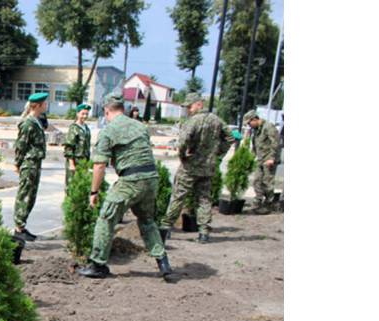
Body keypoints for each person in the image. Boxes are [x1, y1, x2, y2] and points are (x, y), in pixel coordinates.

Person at [77, 93, 174, 280]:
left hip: (131, 181)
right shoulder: (140, 126)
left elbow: (99, 165)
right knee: (147, 221)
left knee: (106, 218)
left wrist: (94, 192)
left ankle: (98, 265)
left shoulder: (109, 130)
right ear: (123, 109)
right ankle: (163, 263)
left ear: (106, 111)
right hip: (151, 178)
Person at [159, 93, 235, 243]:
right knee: (204, 199)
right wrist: (218, 154)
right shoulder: (217, 120)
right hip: (208, 168)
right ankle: (203, 233)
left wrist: (183, 156)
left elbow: (182, 143)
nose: (188, 109)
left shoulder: (192, 121)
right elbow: (230, 138)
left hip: (190, 167)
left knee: (178, 197)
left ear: (199, 104)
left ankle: (165, 228)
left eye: (190, 106)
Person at [12, 92, 49, 241]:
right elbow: (21, 145)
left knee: (31, 196)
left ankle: (22, 226)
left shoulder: (36, 121)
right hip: (29, 163)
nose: (46, 105)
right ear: (38, 105)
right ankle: (18, 228)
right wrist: (17, 163)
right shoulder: (28, 123)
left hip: (35, 162)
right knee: (24, 194)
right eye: (44, 103)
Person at [244, 109, 281, 213]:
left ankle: (269, 204)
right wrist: (252, 157)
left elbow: (276, 143)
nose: (249, 125)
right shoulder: (256, 130)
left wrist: (272, 158)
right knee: (257, 181)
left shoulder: (268, 127)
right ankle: (258, 202)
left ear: (254, 119)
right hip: (260, 159)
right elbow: (255, 145)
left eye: (249, 122)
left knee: (267, 182)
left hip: (269, 159)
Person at [63, 103, 92, 187]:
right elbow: (69, 148)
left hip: (84, 161)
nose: (85, 116)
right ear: (77, 114)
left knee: (81, 185)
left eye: (86, 114)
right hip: (75, 160)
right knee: (72, 185)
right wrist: (72, 164)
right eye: (83, 114)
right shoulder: (74, 128)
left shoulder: (86, 128)